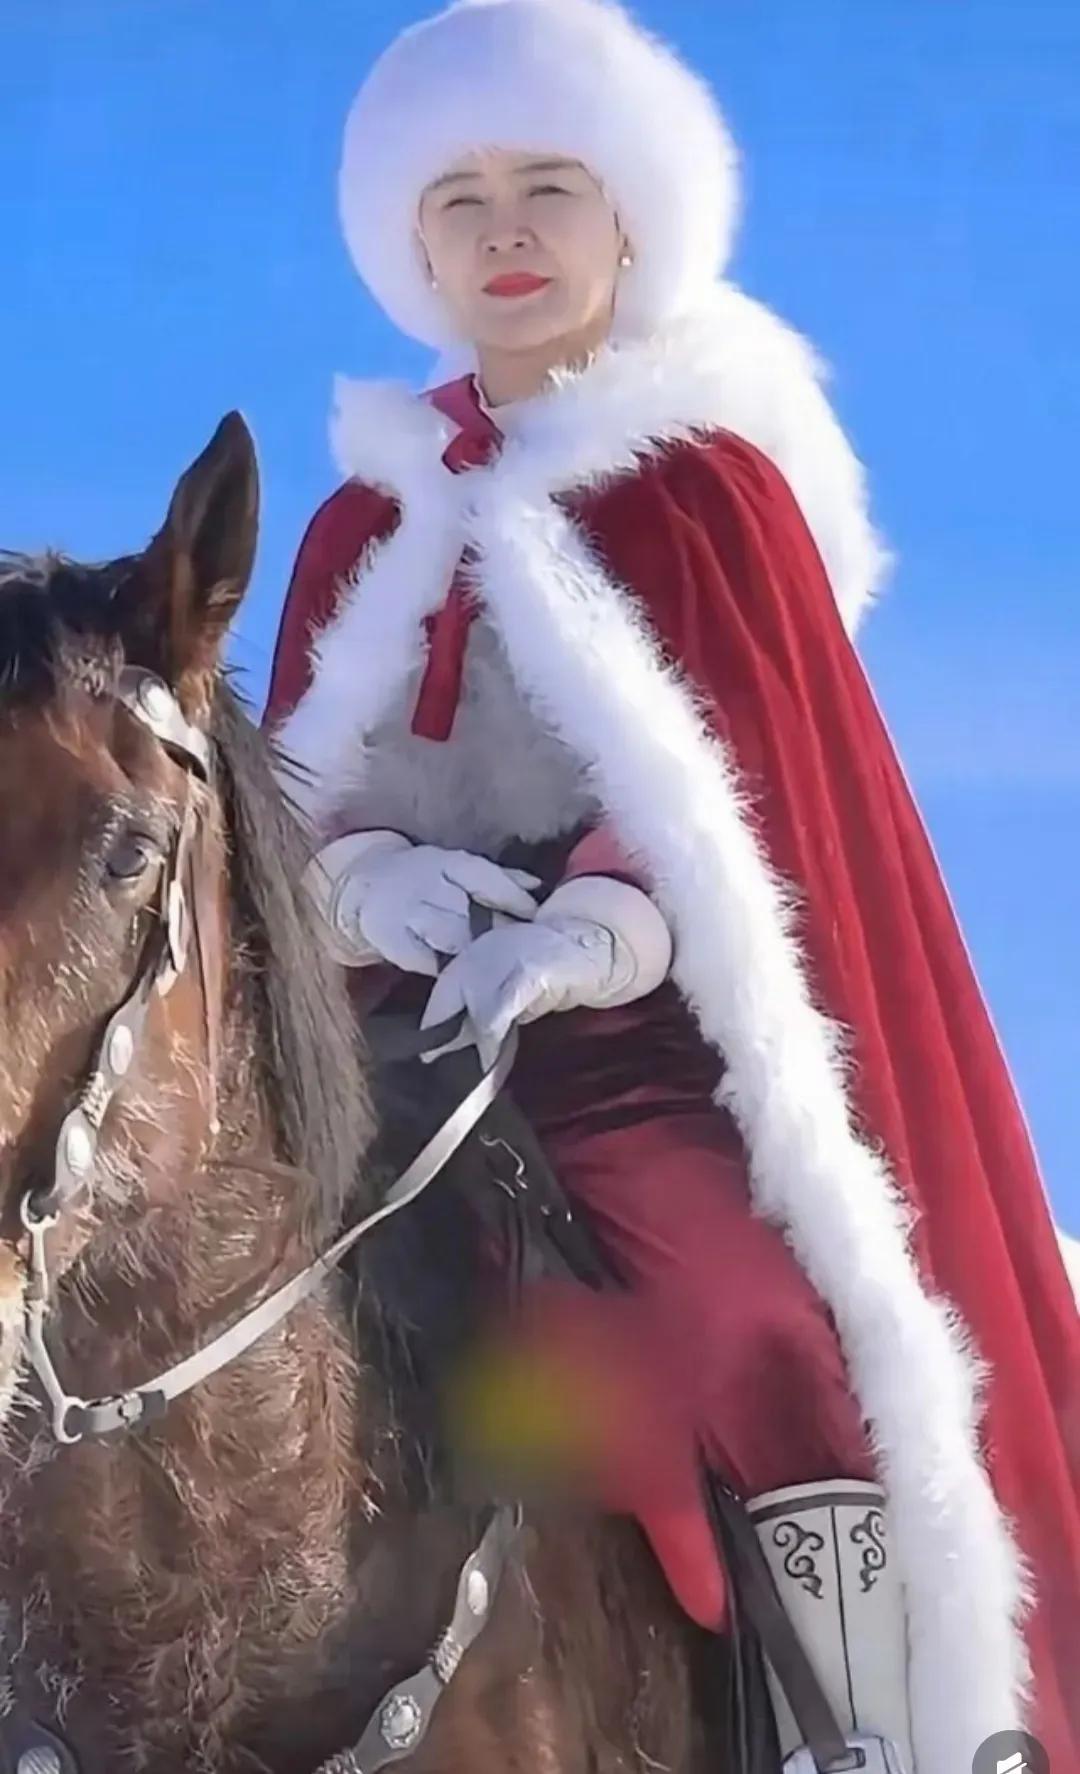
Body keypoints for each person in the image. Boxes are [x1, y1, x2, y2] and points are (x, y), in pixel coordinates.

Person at [263, 3, 1080, 1770]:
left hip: (653, 1053)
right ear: (410, 243)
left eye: (549, 185)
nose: (504, 231)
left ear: (630, 217)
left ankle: (863, 1725)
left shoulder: (706, 490)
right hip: (398, 1052)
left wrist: (601, 926)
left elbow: (762, 799)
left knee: (753, 1308)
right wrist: (366, 883)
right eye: (460, 197)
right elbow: (290, 815)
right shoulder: (361, 521)